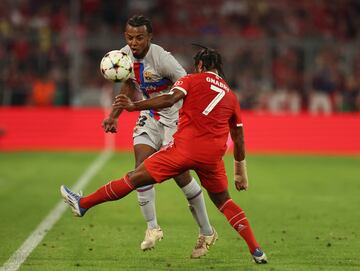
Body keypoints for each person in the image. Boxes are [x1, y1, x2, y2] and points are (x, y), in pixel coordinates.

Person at [61, 46, 267, 264]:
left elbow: (169, 99)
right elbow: (239, 136)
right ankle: (256, 250)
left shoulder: (190, 79)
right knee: (224, 202)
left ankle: (83, 204)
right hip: (213, 157)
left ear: (199, 65)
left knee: (134, 178)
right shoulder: (231, 96)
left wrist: (134, 106)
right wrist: (240, 172)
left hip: (183, 150)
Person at [101, 15, 216, 257]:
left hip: (175, 119)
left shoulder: (163, 59)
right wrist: (114, 115)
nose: (134, 42)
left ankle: (207, 230)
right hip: (150, 116)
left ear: (149, 38)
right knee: (141, 169)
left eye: (139, 38)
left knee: (180, 176)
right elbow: (129, 84)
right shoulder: (123, 57)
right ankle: (152, 228)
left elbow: (187, 85)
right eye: (130, 37)